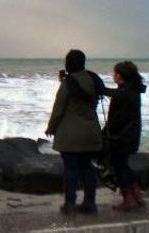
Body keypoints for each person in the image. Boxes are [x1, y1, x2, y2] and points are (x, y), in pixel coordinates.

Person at [46, 49, 104, 215]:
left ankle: (70, 204)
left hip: (71, 135)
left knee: (71, 169)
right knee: (87, 168)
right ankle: (90, 204)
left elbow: (58, 109)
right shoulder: (94, 79)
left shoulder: (68, 83)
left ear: (68, 63)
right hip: (91, 132)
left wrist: (51, 127)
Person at [102, 61, 147, 210]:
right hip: (131, 135)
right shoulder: (133, 90)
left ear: (120, 76)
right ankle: (136, 194)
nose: (113, 76)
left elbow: (117, 119)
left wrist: (106, 133)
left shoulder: (124, 93)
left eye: (115, 73)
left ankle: (129, 199)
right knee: (124, 165)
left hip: (121, 137)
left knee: (119, 166)